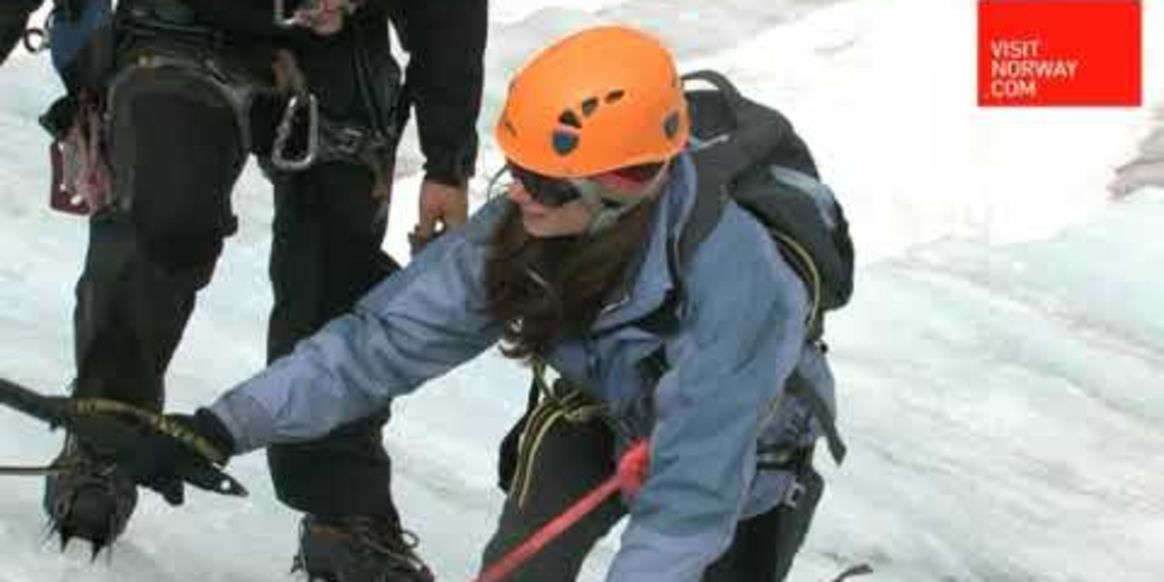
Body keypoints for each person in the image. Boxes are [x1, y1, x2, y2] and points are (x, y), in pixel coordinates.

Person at [124, 25, 841, 581]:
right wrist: (221, 427)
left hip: (745, 458)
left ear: (622, 184)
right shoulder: (526, 227)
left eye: (548, 182)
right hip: (603, 408)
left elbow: (688, 503)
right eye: (519, 170)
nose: (520, 192)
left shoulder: (739, 287)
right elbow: (376, 348)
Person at [29, 0, 485, 580]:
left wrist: (449, 159)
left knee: (335, 274)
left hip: (336, 48)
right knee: (164, 211)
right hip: (179, 25)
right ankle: (106, 429)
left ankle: (340, 506)